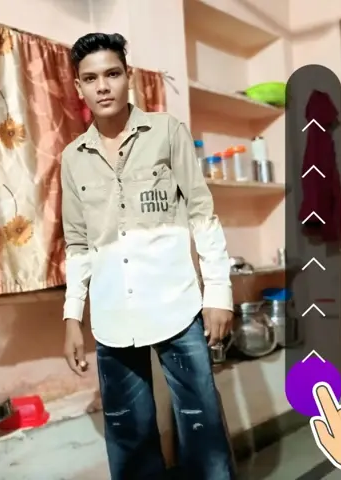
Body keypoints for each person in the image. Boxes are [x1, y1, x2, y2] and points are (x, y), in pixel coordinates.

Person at [61, 32, 235, 480]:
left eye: (112, 74)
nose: (103, 86)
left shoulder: (166, 131)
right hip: (113, 316)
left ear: (129, 77)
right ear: (78, 87)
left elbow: (202, 214)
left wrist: (218, 293)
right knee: (129, 437)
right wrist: (72, 317)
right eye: (90, 78)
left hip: (177, 307)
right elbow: (77, 243)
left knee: (202, 427)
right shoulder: (72, 158)